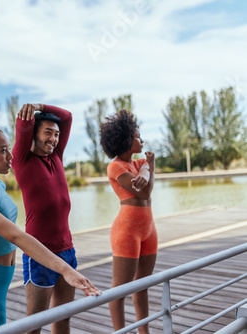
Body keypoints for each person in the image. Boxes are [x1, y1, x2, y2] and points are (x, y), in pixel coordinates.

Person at [0, 119, 100, 334]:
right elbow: (17, 236)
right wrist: (66, 270)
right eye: (3, 151)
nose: (10, 156)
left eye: (9, 149)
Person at [11, 103, 77, 334]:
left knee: (63, 319)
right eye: (47, 132)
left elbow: (67, 117)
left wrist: (41, 106)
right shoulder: (22, 161)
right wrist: (30, 112)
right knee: (35, 324)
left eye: (57, 134)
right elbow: (23, 126)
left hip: (67, 250)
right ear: (34, 134)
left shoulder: (57, 156)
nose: (53, 138)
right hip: (39, 253)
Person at [99, 109, 156, 334]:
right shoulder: (115, 167)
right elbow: (144, 194)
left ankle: (145, 332)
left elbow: (144, 169)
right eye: (137, 137)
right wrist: (150, 168)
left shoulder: (138, 162)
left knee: (142, 286)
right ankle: (120, 332)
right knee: (119, 289)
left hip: (149, 230)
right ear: (124, 139)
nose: (141, 140)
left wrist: (146, 169)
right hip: (126, 232)